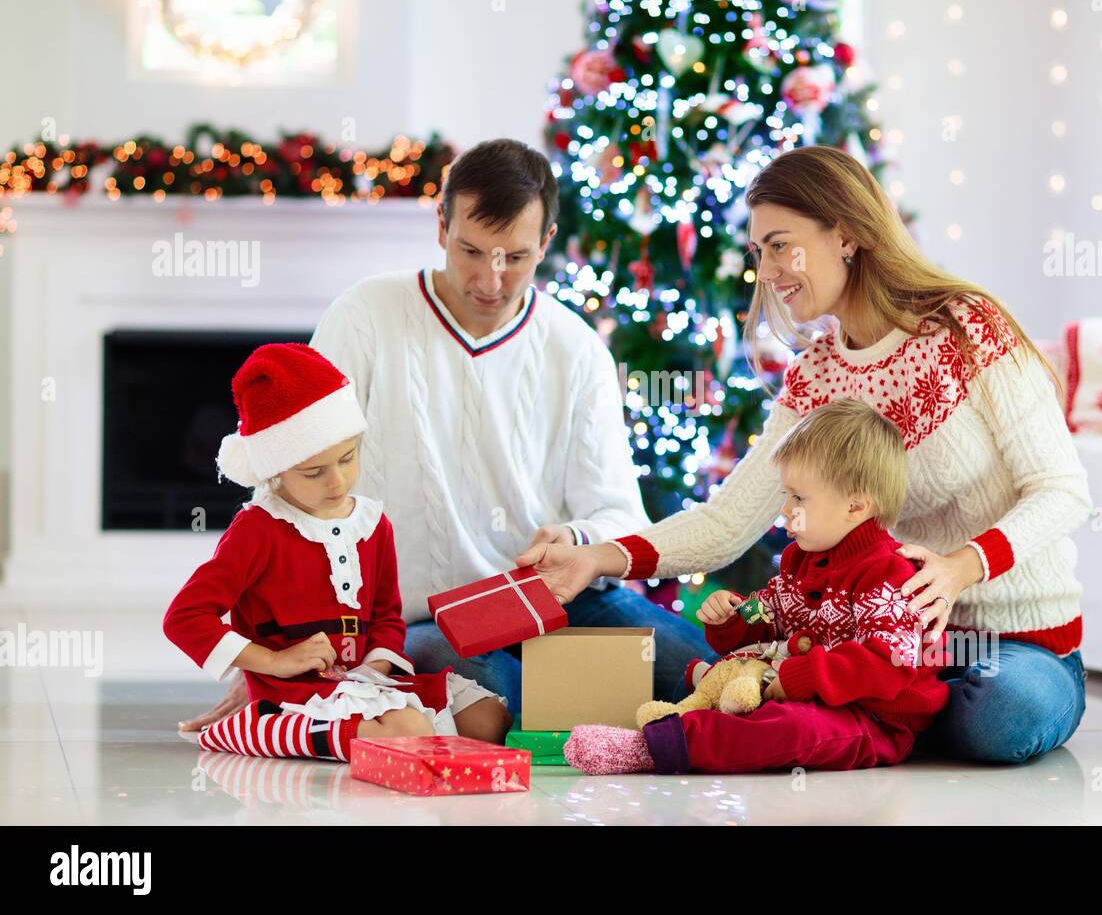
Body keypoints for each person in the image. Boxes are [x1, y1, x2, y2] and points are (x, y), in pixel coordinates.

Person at [520, 145, 1092, 765]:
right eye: (758, 251)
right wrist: (599, 557)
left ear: (844, 236)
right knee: (719, 662)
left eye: (778, 245)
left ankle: (837, 716)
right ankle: (842, 713)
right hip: (876, 651)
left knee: (1002, 714)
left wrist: (961, 568)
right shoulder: (816, 376)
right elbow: (729, 519)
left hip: (1009, 646)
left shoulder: (966, 328)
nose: (766, 270)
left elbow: (1063, 491)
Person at [178, 139, 713, 731]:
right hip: (417, 616)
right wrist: (265, 663)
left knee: (704, 673)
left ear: (548, 242)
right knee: (490, 709)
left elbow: (620, 517)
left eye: (516, 256)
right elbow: (290, 475)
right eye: (472, 251)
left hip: (557, 599)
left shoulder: (577, 348)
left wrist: (573, 535)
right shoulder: (365, 315)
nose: (491, 278)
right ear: (440, 226)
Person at [564, 399, 950, 774]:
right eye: (786, 494)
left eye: (798, 497)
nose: (784, 509)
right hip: (806, 692)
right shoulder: (803, 559)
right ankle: (678, 724)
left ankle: (653, 747)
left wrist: (800, 677)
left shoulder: (890, 575)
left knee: (791, 729)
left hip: (874, 718)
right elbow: (771, 611)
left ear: (855, 507)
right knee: (722, 678)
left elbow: (887, 666)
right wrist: (733, 617)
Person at [164, 344, 511, 760]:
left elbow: (385, 615)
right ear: (276, 471)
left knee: (489, 720)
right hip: (296, 692)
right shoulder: (257, 529)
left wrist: (378, 666)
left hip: (366, 683)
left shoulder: (372, 524)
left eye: (348, 459)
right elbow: (183, 619)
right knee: (408, 731)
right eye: (314, 472)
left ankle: (365, 734)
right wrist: (272, 662)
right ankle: (257, 726)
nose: (337, 482)